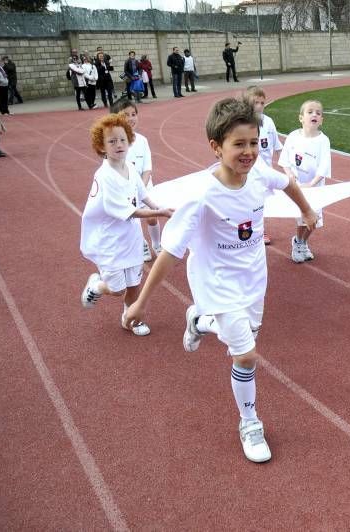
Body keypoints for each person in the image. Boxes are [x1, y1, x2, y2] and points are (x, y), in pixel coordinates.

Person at [124, 97, 318, 463]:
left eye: (254, 143)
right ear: (216, 147)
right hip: (216, 283)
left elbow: (287, 182)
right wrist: (140, 302)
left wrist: (306, 208)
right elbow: (168, 253)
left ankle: (198, 320)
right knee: (245, 356)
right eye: (238, 144)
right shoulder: (201, 196)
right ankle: (250, 422)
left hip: (254, 280)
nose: (249, 152)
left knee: (242, 343)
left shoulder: (259, 173)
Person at [79, 113, 173, 336]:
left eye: (122, 139)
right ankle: (96, 286)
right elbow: (127, 211)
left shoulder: (130, 167)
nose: (118, 145)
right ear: (101, 147)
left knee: (133, 285)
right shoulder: (104, 176)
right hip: (110, 241)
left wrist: (158, 205)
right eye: (111, 141)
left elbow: (142, 193)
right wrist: (159, 212)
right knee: (116, 288)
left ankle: (130, 319)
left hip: (131, 238)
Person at [111, 98, 162, 262]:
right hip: (125, 190)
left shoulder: (142, 140)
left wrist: (142, 188)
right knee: (133, 220)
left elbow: (147, 168)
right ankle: (142, 244)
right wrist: (129, 190)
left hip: (145, 186)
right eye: (126, 115)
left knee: (152, 216)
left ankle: (157, 243)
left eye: (133, 114)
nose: (131, 118)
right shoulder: (114, 144)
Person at [279, 100, 331, 263]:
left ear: (321, 120)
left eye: (318, 113)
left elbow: (324, 167)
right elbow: (285, 160)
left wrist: (312, 183)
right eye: (310, 112)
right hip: (297, 188)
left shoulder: (323, 140)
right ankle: (299, 244)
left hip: (315, 188)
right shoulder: (293, 137)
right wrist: (290, 176)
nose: (314, 114)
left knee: (314, 220)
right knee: (303, 217)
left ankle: (300, 241)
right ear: (301, 118)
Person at [246, 85, 283, 245]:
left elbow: (277, 147)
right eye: (256, 102)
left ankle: (260, 230)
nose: (260, 106)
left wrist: (287, 170)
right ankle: (250, 231)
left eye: (262, 102)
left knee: (262, 204)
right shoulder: (244, 123)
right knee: (248, 203)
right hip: (247, 173)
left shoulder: (269, 122)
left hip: (265, 174)